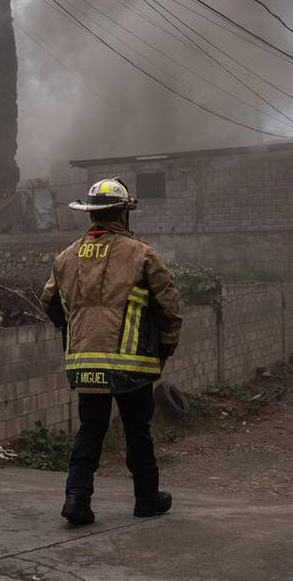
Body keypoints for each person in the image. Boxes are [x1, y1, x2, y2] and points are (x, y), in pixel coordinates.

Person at [41, 178, 182, 526]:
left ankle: (76, 499)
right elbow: (170, 310)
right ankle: (147, 499)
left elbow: (49, 303)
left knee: (90, 429)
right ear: (123, 213)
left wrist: (74, 332)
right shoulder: (143, 254)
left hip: (83, 361)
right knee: (138, 430)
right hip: (131, 364)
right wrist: (165, 350)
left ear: (91, 214)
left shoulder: (66, 257)